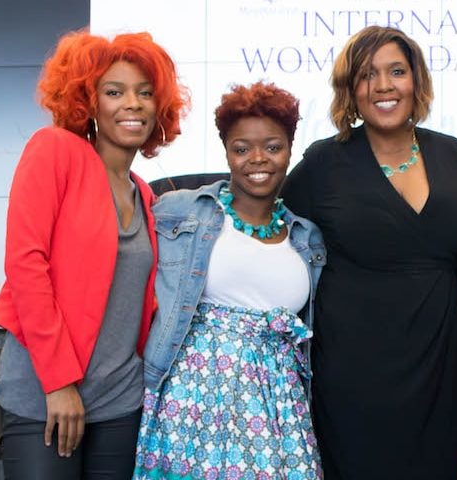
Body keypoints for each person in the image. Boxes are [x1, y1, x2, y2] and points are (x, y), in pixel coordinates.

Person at [281, 25, 457, 480]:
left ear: (416, 80)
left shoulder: (455, 154)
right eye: (367, 75)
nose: (384, 86)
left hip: (443, 367)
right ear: (350, 90)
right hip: (353, 374)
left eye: (397, 71)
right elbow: (270, 231)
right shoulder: (324, 163)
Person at [0, 30, 187, 478]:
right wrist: (59, 383)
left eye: (145, 93)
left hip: (120, 403)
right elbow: (25, 266)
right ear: (89, 101)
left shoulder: (146, 196)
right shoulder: (55, 151)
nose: (132, 104)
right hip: (43, 395)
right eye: (114, 92)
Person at [133, 81, 324, 479]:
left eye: (273, 147)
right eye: (242, 148)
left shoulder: (307, 238)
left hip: (279, 406)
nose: (258, 159)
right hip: (193, 399)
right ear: (226, 151)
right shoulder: (180, 210)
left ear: (290, 149)